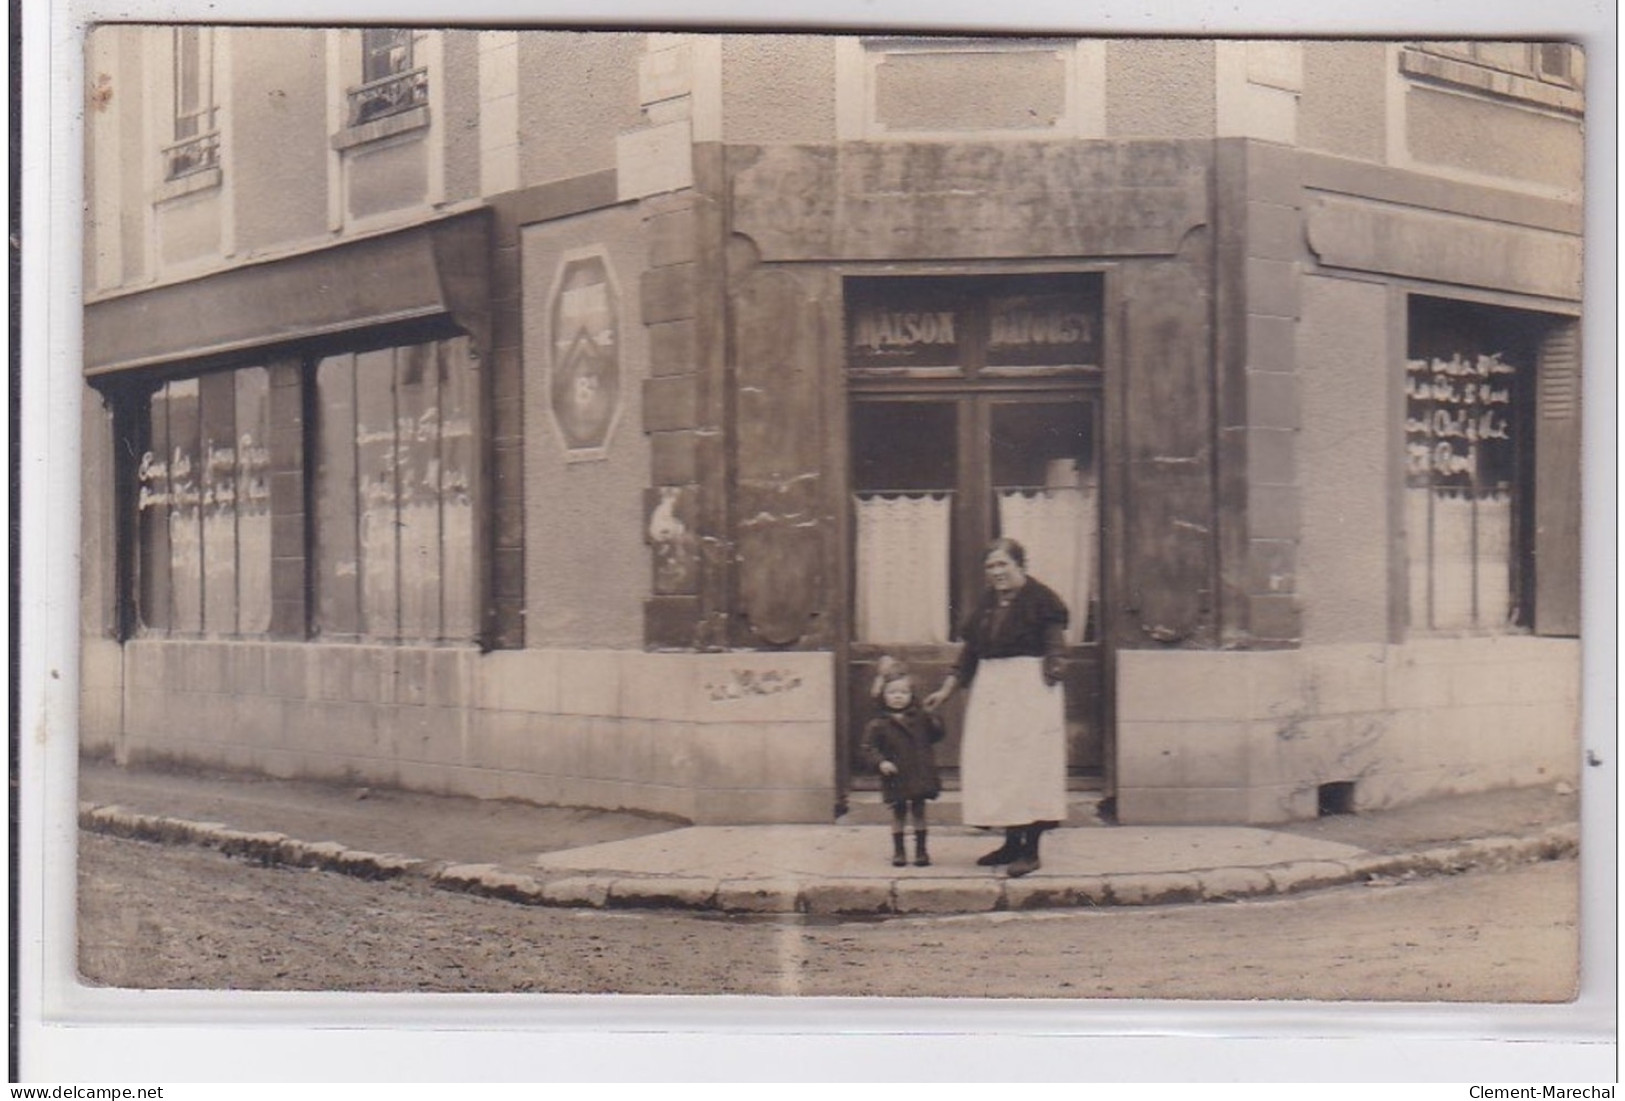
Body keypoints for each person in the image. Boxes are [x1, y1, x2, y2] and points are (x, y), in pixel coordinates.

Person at [924, 537, 1068, 877]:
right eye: (990, 566)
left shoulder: (1044, 601)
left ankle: (1030, 851)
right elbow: (970, 653)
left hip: (1029, 688)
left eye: (1003, 564)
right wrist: (946, 690)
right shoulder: (988, 603)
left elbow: (1055, 649)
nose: (997, 572)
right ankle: (1010, 844)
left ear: (1021, 565)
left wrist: (1051, 674)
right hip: (992, 690)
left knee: (1027, 765)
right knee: (997, 765)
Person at [860, 659, 945, 868]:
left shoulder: (920, 718)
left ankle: (921, 850)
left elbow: (936, 735)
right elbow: (868, 748)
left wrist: (934, 718)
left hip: (918, 772)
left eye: (904, 693)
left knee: (919, 810)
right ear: (883, 696)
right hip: (895, 774)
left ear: (911, 695)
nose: (898, 697)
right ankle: (899, 851)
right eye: (892, 693)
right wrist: (881, 762)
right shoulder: (878, 724)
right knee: (898, 812)